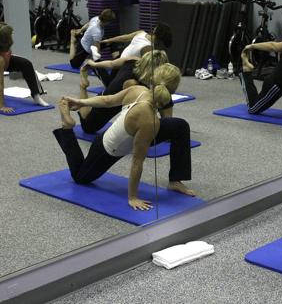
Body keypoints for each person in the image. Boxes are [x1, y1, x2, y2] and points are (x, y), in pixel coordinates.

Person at [55, 79, 194, 211]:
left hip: (126, 131)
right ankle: (67, 128)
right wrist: (132, 197)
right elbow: (137, 161)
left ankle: (175, 180)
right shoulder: (149, 122)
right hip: (107, 148)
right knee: (80, 177)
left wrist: (81, 102)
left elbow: (107, 100)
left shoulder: (138, 89)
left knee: (179, 126)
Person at [77, 50, 170, 134]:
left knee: (162, 93)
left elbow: (111, 63)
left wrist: (94, 64)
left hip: (108, 97)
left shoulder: (133, 60)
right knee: (87, 127)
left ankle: (168, 125)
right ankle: (83, 86)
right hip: (105, 103)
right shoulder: (133, 84)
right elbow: (110, 103)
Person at [0, 22, 48, 113]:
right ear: (5, 38)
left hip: (5, 60)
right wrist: (1, 105)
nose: (12, 36)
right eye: (10, 34)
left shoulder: (5, 47)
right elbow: (0, 83)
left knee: (26, 64)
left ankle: (36, 95)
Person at [100, 22, 173, 59]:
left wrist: (108, 40)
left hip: (122, 58)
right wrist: (108, 40)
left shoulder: (141, 33)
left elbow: (125, 37)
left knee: (113, 42)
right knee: (113, 42)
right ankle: (96, 61)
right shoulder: (148, 48)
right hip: (122, 65)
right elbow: (125, 37)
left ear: (155, 30)